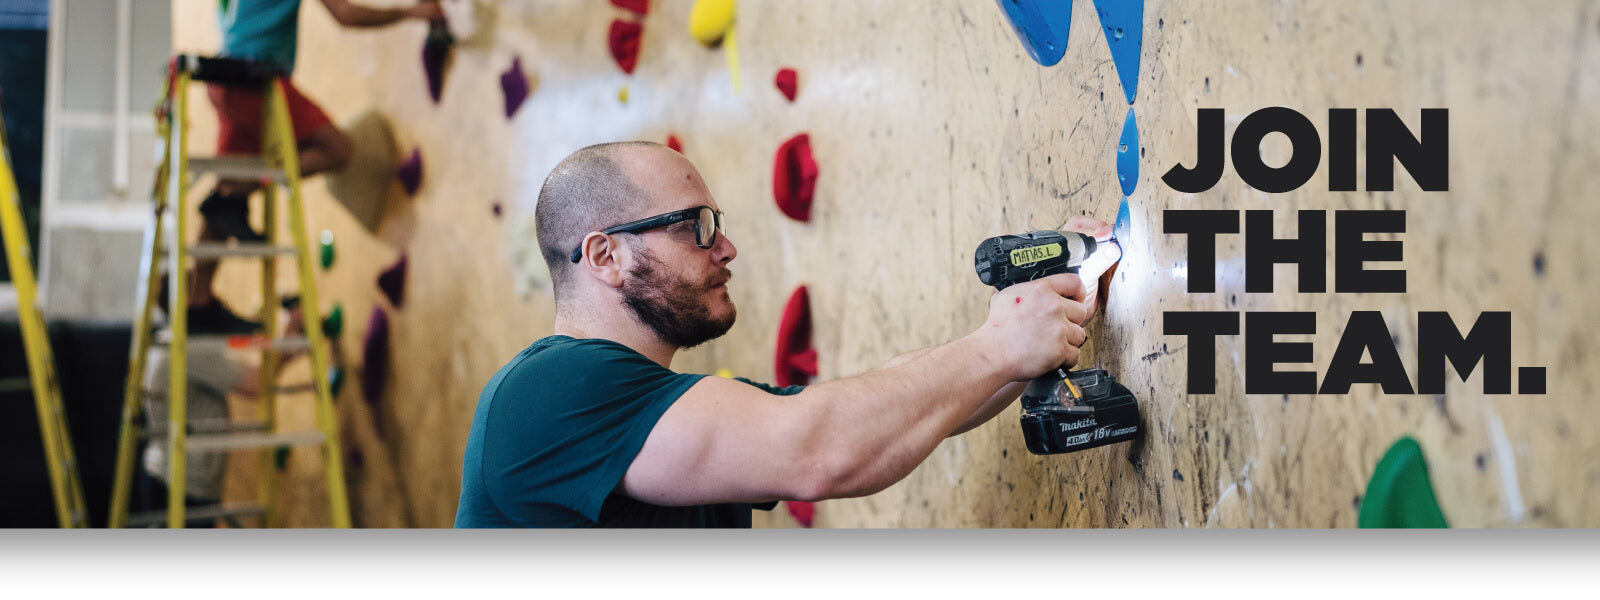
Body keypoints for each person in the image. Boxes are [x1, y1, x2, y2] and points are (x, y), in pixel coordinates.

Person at [454, 141, 1112, 527]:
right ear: (604, 256)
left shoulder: (649, 409)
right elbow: (820, 448)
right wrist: (997, 346)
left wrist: (1033, 323)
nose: (728, 247)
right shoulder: (547, 393)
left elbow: (881, 415)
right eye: (698, 227)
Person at [187, 0, 443, 333]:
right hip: (256, 81)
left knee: (226, 198)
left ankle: (198, 300)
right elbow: (345, 15)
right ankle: (241, 188)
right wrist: (411, 12)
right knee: (337, 149)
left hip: (223, 80)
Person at [138, 280, 308, 527]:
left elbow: (237, 345)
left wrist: (277, 342)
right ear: (189, 300)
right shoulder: (185, 347)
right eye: (206, 293)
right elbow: (254, 383)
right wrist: (289, 343)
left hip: (174, 478)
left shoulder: (169, 340)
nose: (215, 298)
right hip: (180, 484)